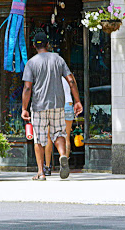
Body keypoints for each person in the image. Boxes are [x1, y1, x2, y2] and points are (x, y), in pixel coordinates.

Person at [21, 32, 83, 180]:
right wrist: (77, 100)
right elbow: (71, 81)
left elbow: (27, 88)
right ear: (47, 44)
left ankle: (41, 173)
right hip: (58, 104)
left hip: (39, 105)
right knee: (59, 133)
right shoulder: (58, 59)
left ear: (34, 46)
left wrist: (24, 108)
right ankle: (62, 155)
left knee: (39, 139)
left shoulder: (31, 63)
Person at [43, 76, 75, 176]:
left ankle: (47, 167)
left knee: (49, 137)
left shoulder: (48, 76)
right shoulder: (68, 75)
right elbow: (73, 86)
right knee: (66, 137)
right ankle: (64, 165)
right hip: (68, 104)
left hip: (53, 105)